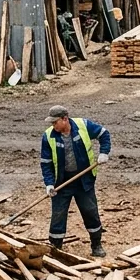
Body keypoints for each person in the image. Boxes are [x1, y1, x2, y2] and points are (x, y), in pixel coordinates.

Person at [40, 105, 112, 257]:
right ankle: (55, 248)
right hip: (61, 183)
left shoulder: (83, 126)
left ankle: (96, 245)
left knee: (90, 212)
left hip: (83, 181)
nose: (53, 126)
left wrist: (104, 152)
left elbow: (104, 134)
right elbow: (46, 163)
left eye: (55, 122)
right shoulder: (48, 136)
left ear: (65, 119)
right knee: (58, 216)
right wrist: (49, 184)